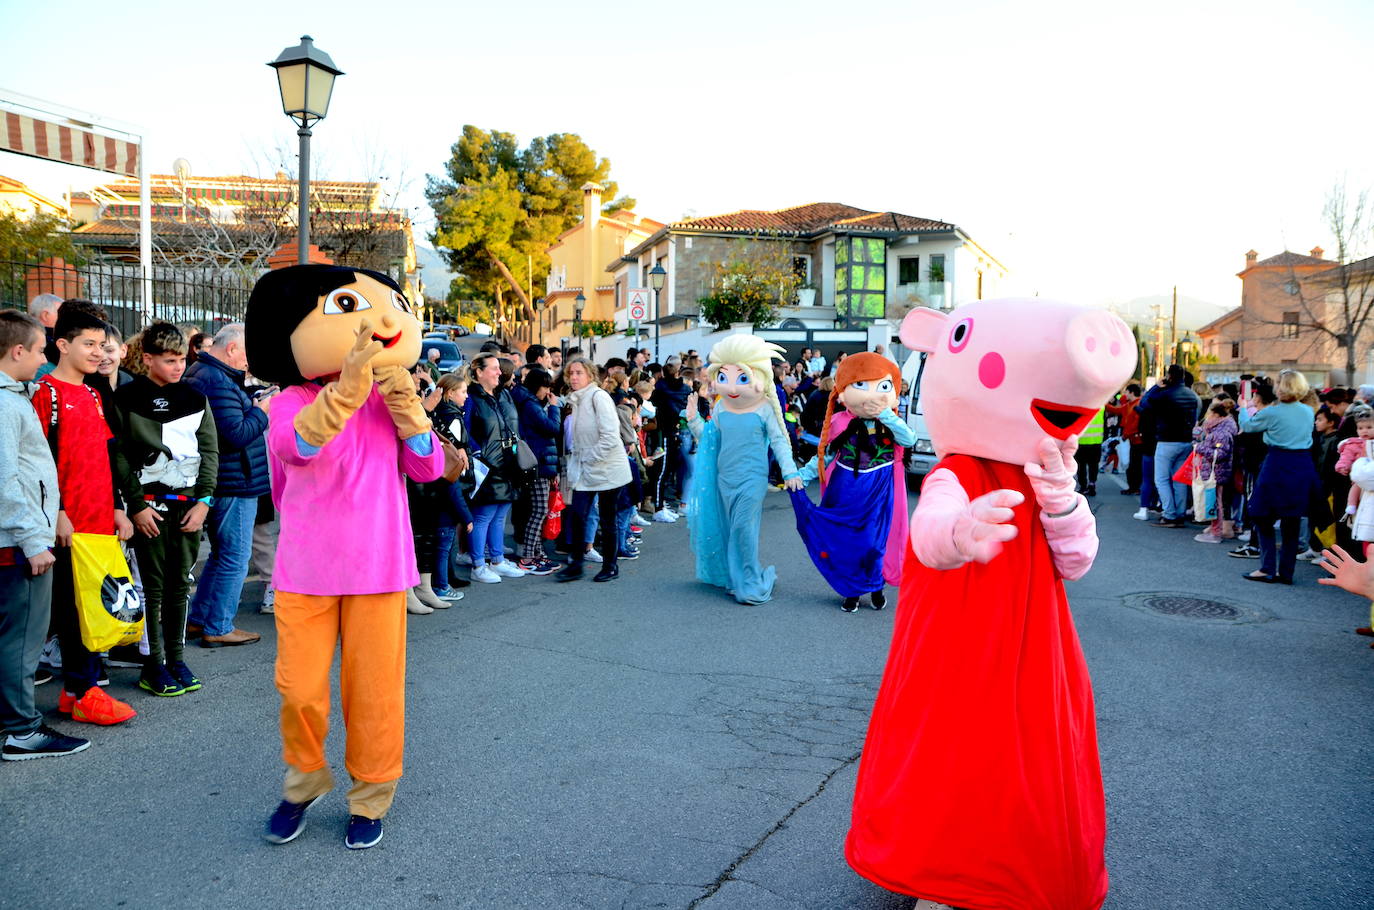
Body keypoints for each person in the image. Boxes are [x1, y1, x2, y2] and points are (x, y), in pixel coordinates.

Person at [245, 264, 443, 850]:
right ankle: (304, 781)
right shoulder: (292, 398)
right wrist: (347, 391)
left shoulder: (392, 397)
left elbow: (429, 467)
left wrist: (408, 411)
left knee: (375, 692)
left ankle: (371, 795)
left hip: (379, 567)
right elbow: (295, 446)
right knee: (300, 691)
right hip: (306, 567)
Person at [34, 300, 137, 726]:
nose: (98, 352)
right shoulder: (46, 394)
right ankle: (83, 692)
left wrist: (117, 507)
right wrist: (58, 512)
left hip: (98, 523)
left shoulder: (95, 393)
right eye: (89, 344)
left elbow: (106, 456)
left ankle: (78, 691)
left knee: (94, 609)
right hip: (67, 525)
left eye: (102, 344)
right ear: (62, 345)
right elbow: (37, 463)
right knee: (73, 612)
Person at [0, 310, 90, 760]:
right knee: (21, 641)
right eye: (38, 351)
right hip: (16, 541)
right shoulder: (6, 403)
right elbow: (6, 480)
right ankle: (20, 730)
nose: (41, 360)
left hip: (16, 536)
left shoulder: (15, 396)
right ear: (18, 351)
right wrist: (34, 539)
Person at [115, 323, 218, 697]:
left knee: (180, 586)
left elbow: (210, 451)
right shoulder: (126, 398)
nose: (178, 367)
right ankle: (152, 664)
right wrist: (137, 506)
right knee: (151, 590)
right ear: (147, 359)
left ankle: (176, 659)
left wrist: (204, 502)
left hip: (188, 508)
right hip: (148, 509)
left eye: (182, 360)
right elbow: (120, 456)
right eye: (170, 360)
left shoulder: (194, 397)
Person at [791, 353, 914, 612]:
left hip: (880, 490)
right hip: (846, 489)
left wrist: (886, 416)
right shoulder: (839, 422)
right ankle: (852, 591)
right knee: (848, 543)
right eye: (861, 385)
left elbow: (908, 440)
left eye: (881, 386)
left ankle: (876, 585)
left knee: (874, 542)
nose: (870, 395)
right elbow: (825, 455)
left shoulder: (891, 423)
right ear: (843, 392)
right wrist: (801, 476)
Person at [684, 335, 803, 605]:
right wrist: (693, 420)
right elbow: (709, 439)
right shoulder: (721, 407)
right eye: (724, 377)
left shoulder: (764, 409)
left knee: (742, 528)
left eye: (743, 377)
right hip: (724, 478)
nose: (733, 386)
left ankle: (749, 580)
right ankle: (732, 576)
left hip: (752, 479)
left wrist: (790, 472)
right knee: (728, 527)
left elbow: (779, 441)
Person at [184, 323, 272, 648]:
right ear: (232, 349)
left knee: (223, 555)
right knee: (235, 556)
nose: (250, 363)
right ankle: (219, 625)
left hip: (228, 478)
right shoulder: (215, 379)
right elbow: (234, 435)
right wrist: (261, 412)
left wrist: (250, 401)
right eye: (248, 355)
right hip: (233, 480)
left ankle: (200, 619)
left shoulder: (209, 374)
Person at [1239, 371, 1320, 585]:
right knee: (1291, 519)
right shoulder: (1307, 411)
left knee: (1261, 514)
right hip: (1302, 464)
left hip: (1277, 462)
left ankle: (1267, 568)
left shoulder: (1273, 412)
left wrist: (1242, 407)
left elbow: (1248, 427)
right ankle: (1286, 572)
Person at [556, 357, 631, 583]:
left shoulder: (599, 397)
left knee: (607, 519)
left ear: (590, 375)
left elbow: (610, 437)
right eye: (571, 374)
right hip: (585, 469)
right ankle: (576, 564)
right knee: (578, 515)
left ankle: (610, 566)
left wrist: (587, 457)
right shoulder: (577, 400)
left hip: (608, 468)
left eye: (579, 373)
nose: (574, 377)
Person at [464, 353, 527, 585]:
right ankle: (478, 565)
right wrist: (478, 455)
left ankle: (497, 560)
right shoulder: (472, 397)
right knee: (483, 516)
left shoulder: (501, 395)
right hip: (487, 467)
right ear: (479, 372)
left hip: (507, 464)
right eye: (494, 368)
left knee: (500, 515)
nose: (500, 372)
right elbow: (465, 431)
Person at [511, 368, 561, 575]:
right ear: (537, 386)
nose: (548, 391)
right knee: (539, 510)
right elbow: (552, 428)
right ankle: (528, 557)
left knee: (538, 510)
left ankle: (537, 554)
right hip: (538, 463)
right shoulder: (531, 404)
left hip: (537, 461)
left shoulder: (528, 401)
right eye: (546, 386)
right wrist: (554, 408)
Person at [1138, 364, 1200, 528]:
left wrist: (1156, 387)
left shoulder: (1165, 395)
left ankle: (1169, 514)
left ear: (1169, 376)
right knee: (1178, 479)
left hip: (1167, 440)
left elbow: (1144, 403)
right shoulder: (1192, 395)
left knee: (1161, 479)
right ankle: (1179, 513)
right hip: (1185, 440)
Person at [430, 373, 472, 600]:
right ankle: (442, 584)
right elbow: (456, 452)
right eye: (463, 392)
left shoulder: (437, 413)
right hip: (448, 482)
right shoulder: (452, 417)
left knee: (442, 542)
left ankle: (444, 580)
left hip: (436, 484)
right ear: (449, 393)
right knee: (444, 542)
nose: (466, 397)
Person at [649, 355, 690, 521]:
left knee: (662, 472)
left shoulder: (659, 388)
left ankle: (659, 506)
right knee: (664, 472)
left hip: (662, 433)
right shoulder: (684, 390)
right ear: (678, 371)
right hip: (673, 432)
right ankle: (658, 508)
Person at [1192, 399, 1239, 543]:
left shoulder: (1221, 433)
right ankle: (1215, 528)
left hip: (1216, 472)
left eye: (1209, 414)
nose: (1207, 418)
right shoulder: (1221, 429)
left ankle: (1216, 532)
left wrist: (1199, 447)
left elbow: (1220, 454)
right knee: (1214, 501)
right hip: (1217, 472)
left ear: (1216, 415)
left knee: (1215, 502)